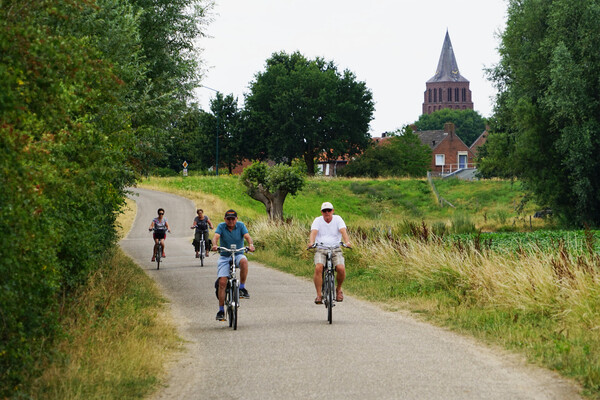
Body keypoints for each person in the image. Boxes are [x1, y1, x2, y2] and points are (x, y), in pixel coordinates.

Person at [211, 209, 255, 321]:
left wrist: (250, 244)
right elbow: (215, 237)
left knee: (244, 261)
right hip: (225, 255)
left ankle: (242, 288)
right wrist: (215, 245)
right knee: (222, 282)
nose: (231, 221)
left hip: (238, 253)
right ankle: (221, 310)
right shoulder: (221, 226)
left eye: (233, 219)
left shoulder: (240, 226)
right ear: (225, 219)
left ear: (236, 219)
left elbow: (247, 236)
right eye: (228, 219)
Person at [307, 202, 351, 304]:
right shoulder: (318, 220)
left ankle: (338, 289)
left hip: (335, 248)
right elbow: (313, 232)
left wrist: (347, 242)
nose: (327, 213)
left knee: (341, 268)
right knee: (318, 267)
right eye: (324, 211)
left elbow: (343, 231)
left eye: (329, 210)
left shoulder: (338, 219)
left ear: (333, 211)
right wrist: (311, 243)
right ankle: (319, 295)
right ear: (321, 212)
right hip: (321, 249)